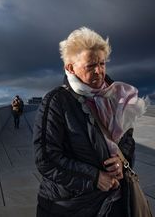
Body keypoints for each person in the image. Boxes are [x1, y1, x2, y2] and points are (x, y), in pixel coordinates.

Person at [33, 27, 148, 216]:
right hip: (71, 206)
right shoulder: (56, 101)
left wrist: (122, 161)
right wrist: (94, 177)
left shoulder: (115, 96)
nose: (98, 71)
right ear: (70, 67)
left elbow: (127, 140)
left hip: (114, 201)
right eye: (90, 66)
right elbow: (45, 157)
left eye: (102, 64)